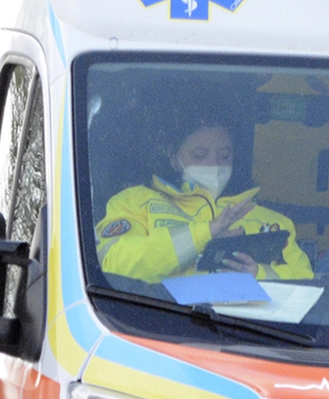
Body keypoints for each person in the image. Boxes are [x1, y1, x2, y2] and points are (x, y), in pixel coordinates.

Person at [95, 117, 314, 283]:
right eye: (200, 155)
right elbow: (113, 267)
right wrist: (204, 234)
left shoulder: (272, 221)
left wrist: (259, 274)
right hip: (157, 329)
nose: (214, 164)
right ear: (173, 157)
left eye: (225, 155)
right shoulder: (134, 202)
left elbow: (306, 287)